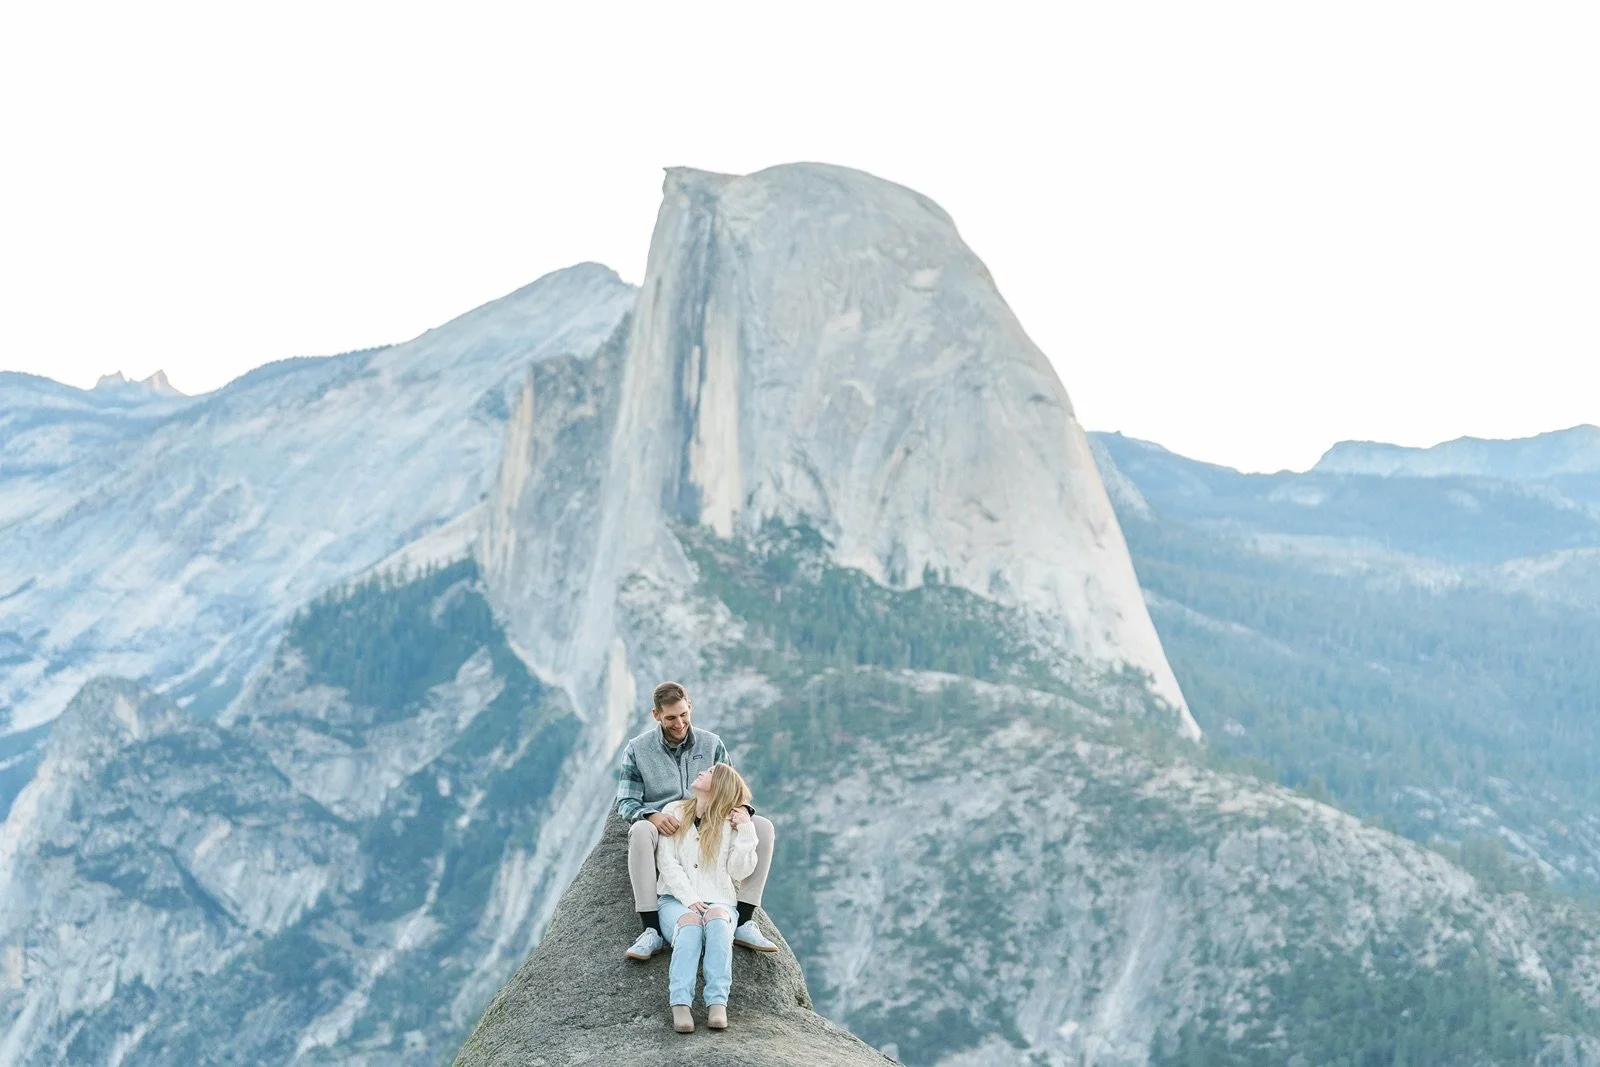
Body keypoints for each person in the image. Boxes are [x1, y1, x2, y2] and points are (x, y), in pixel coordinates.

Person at [615, 681, 777, 961]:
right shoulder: (637, 749)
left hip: (710, 823)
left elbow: (732, 786)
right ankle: (651, 930)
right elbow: (626, 801)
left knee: (763, 826)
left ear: (690, 707)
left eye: (683, 715)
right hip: (666, 828)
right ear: (656, 715)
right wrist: (652, 816)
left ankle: (745, 921)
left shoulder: (711, 743)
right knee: (640, 831)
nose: (679, 723)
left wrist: (742, 813)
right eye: (670, 718)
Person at [655, 763, 757, 1032]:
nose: (702, 772)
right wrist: (689, 899)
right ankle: (680, 1004)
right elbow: (667, 862)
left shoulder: (731, 822)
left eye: (710, 772)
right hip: (675, 901)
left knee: (718, 920)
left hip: (720, 901)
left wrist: (746, 830)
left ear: (720, 785)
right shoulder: (674, 811)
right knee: (689, 924)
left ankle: (717, 1004)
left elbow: (740, 871)